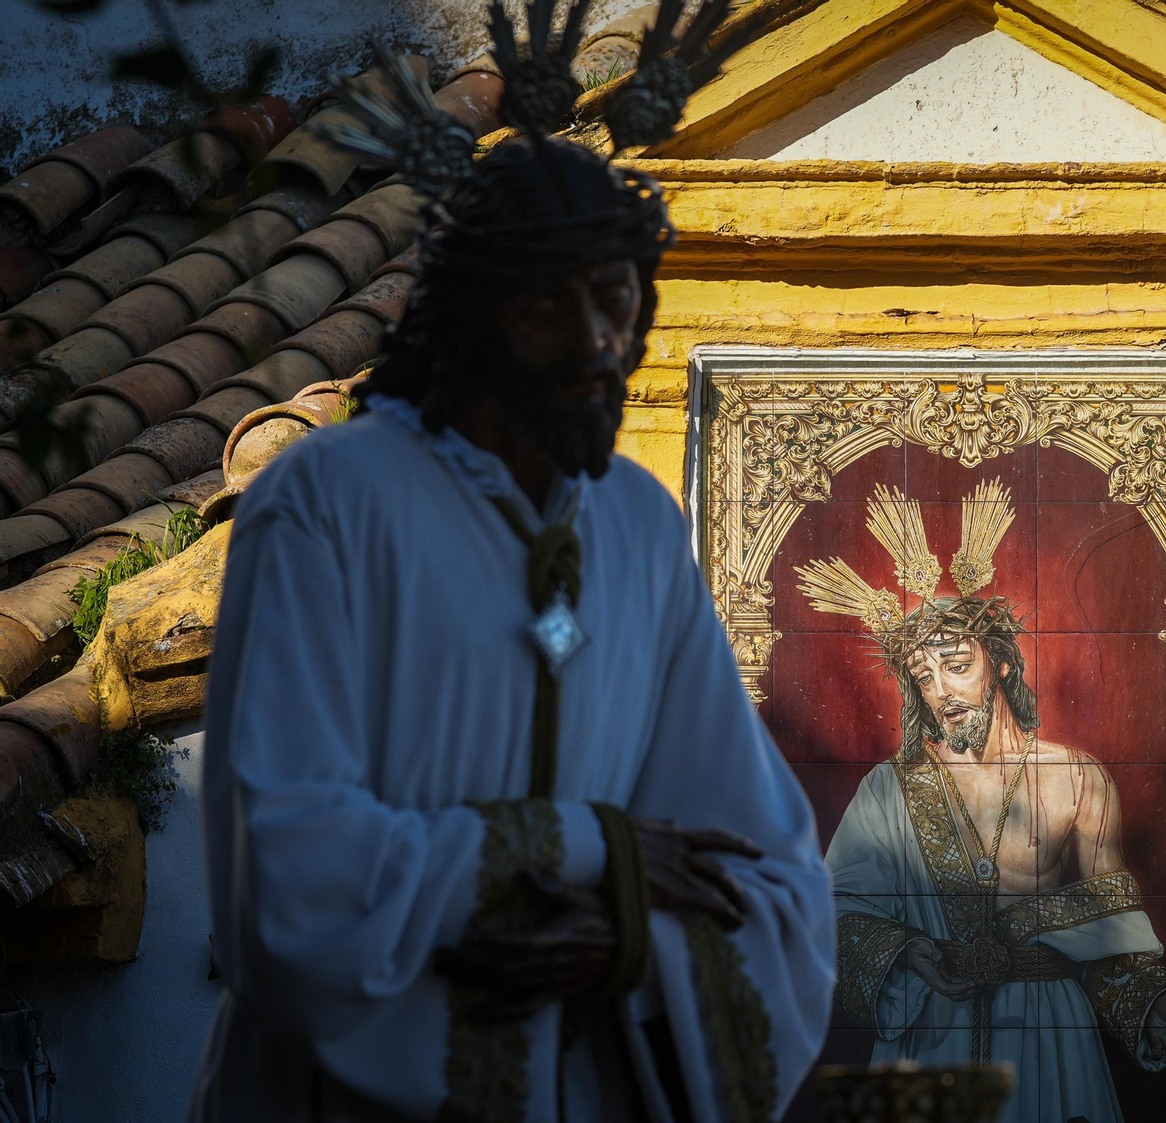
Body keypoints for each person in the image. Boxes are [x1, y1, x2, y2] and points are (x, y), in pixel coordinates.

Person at [190, 134, 834, 1123]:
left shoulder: (636, 522)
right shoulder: (325, 502)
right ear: (471, 315)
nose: (594, 341)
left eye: (613, 297)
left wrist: (627, 935)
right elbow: (286, 868)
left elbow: (764, 866)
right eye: (545, 305)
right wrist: (581, 843)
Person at [797, 484, 1166, 1123]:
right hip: (933, 1029)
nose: (941, 691)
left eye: (955, 665)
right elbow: (833, 911)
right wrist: (906, 950)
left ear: (1001, 666)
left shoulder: (1076, 777)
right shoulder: (891, 787)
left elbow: (1108, 920)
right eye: (923, 678)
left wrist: (1149, 1003)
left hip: (1047, 1025)